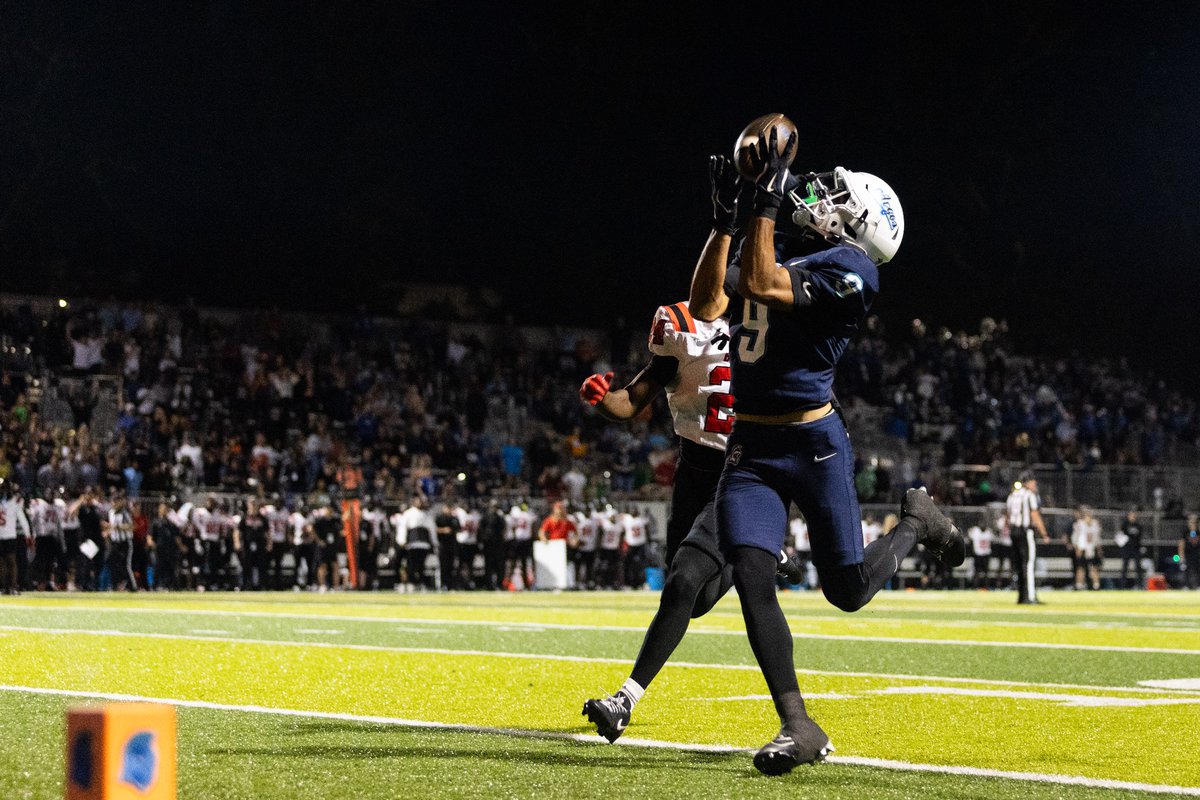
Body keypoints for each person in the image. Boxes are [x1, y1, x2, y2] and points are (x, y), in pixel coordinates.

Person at [709, 131, 965, 774]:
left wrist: (764, 198)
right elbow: (708, 301)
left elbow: (764, 284)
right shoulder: (796, 243)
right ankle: (799, 724)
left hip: (812, 443)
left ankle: (916, 519)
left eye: (837, 196)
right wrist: (723, 223)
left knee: (846, 590)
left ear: (856, 226)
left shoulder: (857, 272)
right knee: (750, 573)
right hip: (752, 441)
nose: (821, 193)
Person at [580, 153, 809, 745]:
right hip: (695, 466)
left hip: (743, 466)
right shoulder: (679, 323)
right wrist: (605, 399)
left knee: (684, 578)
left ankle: (624, 700)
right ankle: (751, 555)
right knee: (696, 596)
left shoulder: (770, 316)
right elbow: (637, 399)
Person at [1006, 472, 1050, 604]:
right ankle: (1030, 596)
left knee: (1019, 565)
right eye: (1032, 481)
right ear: (1027, 482)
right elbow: (1035, 515)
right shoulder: (1029, 495)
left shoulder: (1012, 495)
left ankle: (1021, 596)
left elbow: (1007, 518)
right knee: (1029, 564)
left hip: (1014, 532)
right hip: (1025, 532)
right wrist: (1044, 533)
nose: (1035, 483)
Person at [1070, 505, 1102, 591]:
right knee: (1081, 568)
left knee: (1093, 568)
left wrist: (1098, 548)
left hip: (1092, 548)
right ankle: (1079, 585)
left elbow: (1097, 537)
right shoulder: (1079, 524)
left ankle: (1096, 585)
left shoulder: (1095, 524)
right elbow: (1075, 537)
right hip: (1082, 548)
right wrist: (1077, 548)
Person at [1116, 507, 1144, 589]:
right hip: (1127, 548)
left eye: (1134, 515)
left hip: (1136, 548)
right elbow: (1121, 536)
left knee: (1138, 567)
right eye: (1131, 515)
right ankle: (1123, 585)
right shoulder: (1125, 525)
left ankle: (1139, 585)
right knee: (1125, 566)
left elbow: (1139, 537)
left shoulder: (1138, 525)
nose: (1133, 516)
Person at [1181, 514, 1200, 590]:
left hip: (1197, 554)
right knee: (1187, 571)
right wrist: (1181, 557)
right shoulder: (1185, 532)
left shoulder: (1198, 532)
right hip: (1188, 554)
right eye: (1191, 522)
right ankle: (1186, 586)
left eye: (1194, 522)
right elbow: (1181, 544)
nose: (1192, 524)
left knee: (1198, 570)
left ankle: (1198, 586)